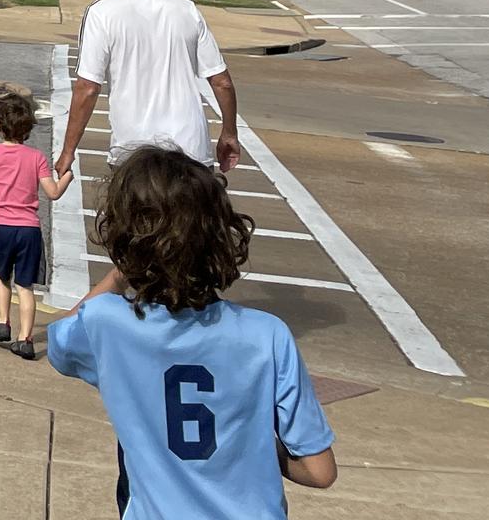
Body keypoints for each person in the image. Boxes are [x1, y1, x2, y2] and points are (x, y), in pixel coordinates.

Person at [50, 146, 336, 517]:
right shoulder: (268, 335)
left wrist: (123, 271)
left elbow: (61, 339)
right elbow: (320, 471)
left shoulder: (105, 322)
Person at [56, 0, 240, 178]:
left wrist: (68, 151)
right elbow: (222, 82)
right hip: (192, 154)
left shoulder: (101, 13)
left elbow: (87, 88)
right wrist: (229, 133)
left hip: (135, 155)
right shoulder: (186, 9)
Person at [0, 91, 73, 359]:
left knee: (2, 275)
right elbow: (53, 192)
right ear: (29, 127)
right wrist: (67, 175)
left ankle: (2, 322)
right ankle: (25, 339)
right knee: (26, 286)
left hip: (1, 227)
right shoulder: (36, 158)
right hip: (29, 230)